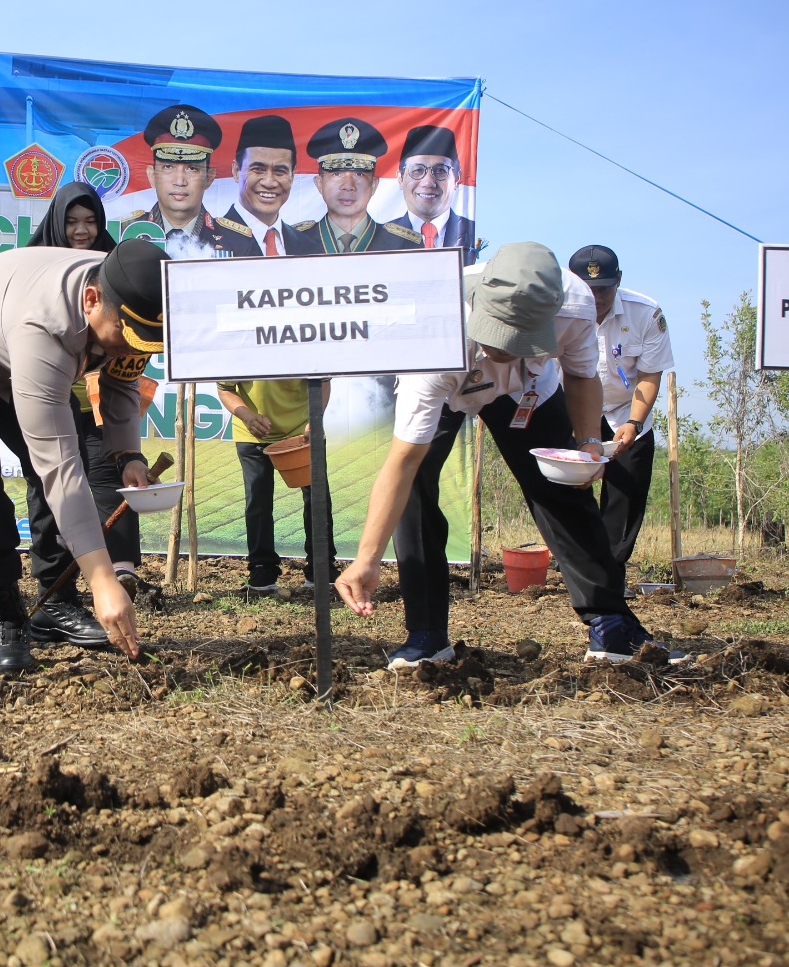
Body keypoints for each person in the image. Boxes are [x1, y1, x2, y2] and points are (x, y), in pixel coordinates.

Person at [334, 241, 684, 667]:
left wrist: (589, 443)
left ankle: (611, 624)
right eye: (499, 334)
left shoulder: (574, 306)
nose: (504, 348)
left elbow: (581, 376)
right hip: (453, 384)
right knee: (416, 493)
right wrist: (367, 560)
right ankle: (427, 634)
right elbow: (402, 463)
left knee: (562, 488)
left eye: (520, 339)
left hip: (528, 390)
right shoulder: (434, 333)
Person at [0, 240, 168, 672]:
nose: (131, 348)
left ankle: (55, 606)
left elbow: (121, 380)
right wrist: (103, 579)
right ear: (91, 300)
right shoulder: (44, 328)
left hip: (5, 342)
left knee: (70, 458)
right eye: (125, 336)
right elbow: (58, 469)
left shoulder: (129, 302)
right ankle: (5, 612)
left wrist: (127, 454)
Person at [24, 183, 160, 613]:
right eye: (72, 221)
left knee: (110, 476)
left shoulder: (117, 272)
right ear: (55, 223)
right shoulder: (33, 269)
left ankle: (120, 571)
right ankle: (59, 585)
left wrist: (130, 448)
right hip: (43, 392)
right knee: (49, 481)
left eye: (91, 222)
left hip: (95, 397)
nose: (82, 231)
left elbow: (131, 354)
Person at [570, 244, 674, 567]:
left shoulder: (645, 314)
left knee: (624, 497)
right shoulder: (558, 311)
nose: (597, 298)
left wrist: (635, 424)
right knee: (569, 490)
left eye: (604, 289)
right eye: (589, 290)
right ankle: (579, 565)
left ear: (618, 282)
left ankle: (611, 571)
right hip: (574, 409)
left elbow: (648, 377)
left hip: (625, 413)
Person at [216, 378, 336, 594]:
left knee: (317, 496)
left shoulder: (301, 343)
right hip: (251, 432)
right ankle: (262, 568)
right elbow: (225, 389)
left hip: (303, 429)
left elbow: (322, 380)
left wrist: (314, 420)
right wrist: (248, 417)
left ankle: (322, 567)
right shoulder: (238, 347)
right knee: (257, 500)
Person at [120, 104, 253, 256]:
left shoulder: (238, 240)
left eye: (192, 168)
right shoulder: (122, 233)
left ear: (209, 178)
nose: (180, 181)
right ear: (152, 176)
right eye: (168, 167)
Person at [288, 118, 391, 255]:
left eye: (359, 174)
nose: (348, 186)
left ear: (374, 185)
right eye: (337, 174)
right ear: (319, 184)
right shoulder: (292, 243)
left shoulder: (403, 245)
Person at [379, 125, 479, 264]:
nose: (428, 182)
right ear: (400, 178)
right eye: (417, 170)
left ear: (456, 178)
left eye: (440, 171)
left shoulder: (471, 233)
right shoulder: (377, 239)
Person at [220, 115, 313, 257]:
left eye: (280, 171)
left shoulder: (308, 247)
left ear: (292, 175)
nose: (269, 182)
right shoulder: (207, 242)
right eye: (258, 169)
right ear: (236, 171)